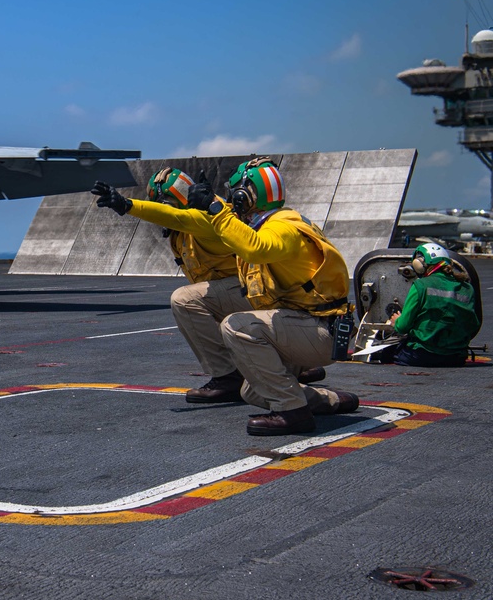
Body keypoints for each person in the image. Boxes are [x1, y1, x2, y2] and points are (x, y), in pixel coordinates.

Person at [92, 167, 328, 390]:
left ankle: (227, 376)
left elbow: (178, 216)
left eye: (164, 206)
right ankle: (290, 366)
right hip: (250, 295)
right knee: (208, 311)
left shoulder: (203, 221)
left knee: (186, 300)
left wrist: (128, 205)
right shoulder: (184, 234)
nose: (162, 212)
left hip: (254, 293)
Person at [178, 157, 359, 436]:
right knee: (252, 390)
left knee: (237, 326)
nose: (232, 202)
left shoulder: (282, 226)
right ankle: (329, 400)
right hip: (308, 326)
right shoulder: (270, 223)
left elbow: (256, 249)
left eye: (235, 194)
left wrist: (215, 209)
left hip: (318, 331)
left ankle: (293, 412)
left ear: (246, 195)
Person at [91, 169, 237, 284]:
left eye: (168, 204)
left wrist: (127, 205)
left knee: (184, 300)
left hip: (238, 290)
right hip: (224, 291)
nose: (163, 209)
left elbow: (173, 216)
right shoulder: (179, 235)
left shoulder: (206, 218)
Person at [383, 242, 480, 366]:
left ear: (420, 264)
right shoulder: (467, 288)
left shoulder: (421, 285)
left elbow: (403, 327)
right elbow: (473, 325)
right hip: (456, 358)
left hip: (421, 355)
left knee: (386, 353)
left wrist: (396, 320)